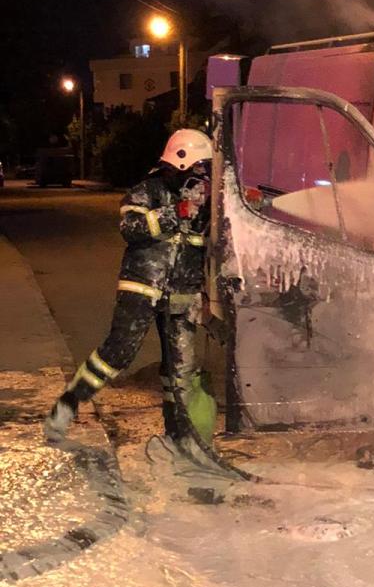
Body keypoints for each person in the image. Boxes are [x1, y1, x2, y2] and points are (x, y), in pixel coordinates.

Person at [44, 128, 244, 478]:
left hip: (181, 295)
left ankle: (179, 438)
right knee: (117, 354)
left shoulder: (205, 203)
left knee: (179, 371)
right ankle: (64, 409)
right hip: (141, 288)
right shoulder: (147, 190)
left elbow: (215, 244)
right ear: (179, 162)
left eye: (206, 169)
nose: (203, 176)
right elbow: (131, 228)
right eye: (199, 168)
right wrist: (177, 211)